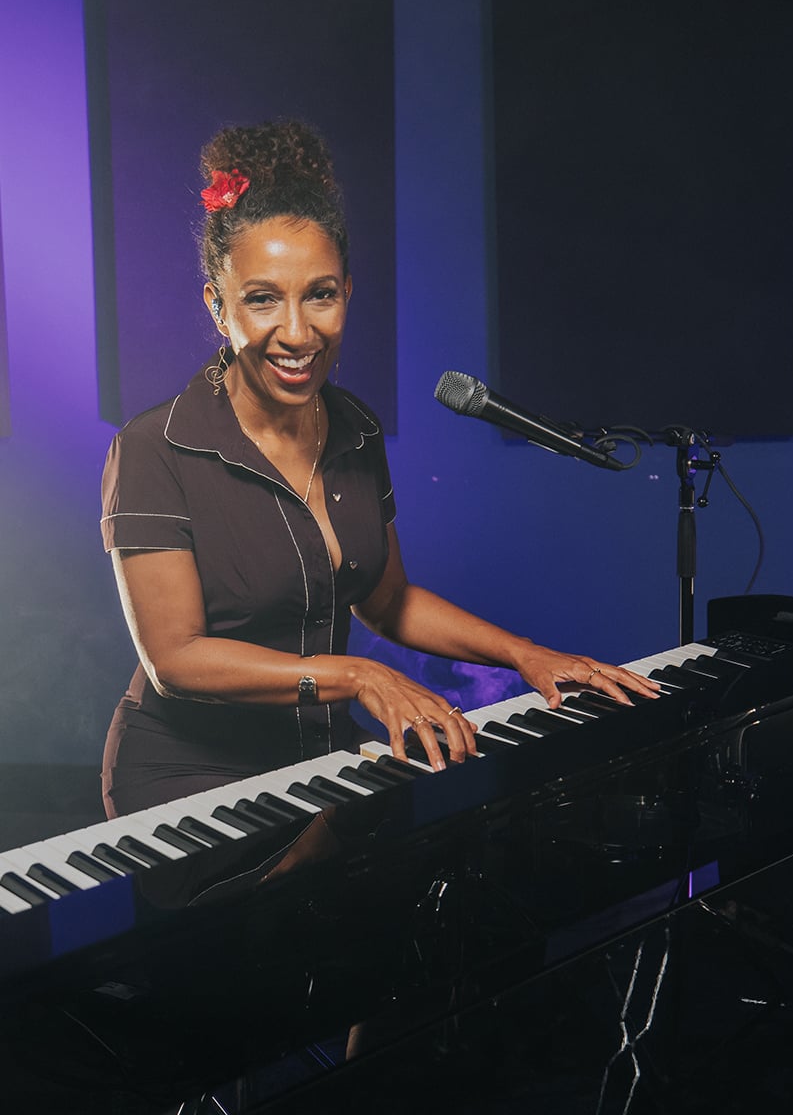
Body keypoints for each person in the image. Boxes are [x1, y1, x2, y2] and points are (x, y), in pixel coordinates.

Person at [100, 119, 657, 818]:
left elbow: (388, 601)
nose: (298, 332)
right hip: (189, 777)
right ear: (218, 305)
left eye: (321, 294)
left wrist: (525, 655)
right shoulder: (154, 446)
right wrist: (359, 676)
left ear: (347, 293)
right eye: (263, 298)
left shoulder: (355, 428)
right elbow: (175, 660)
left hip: (318, 758)